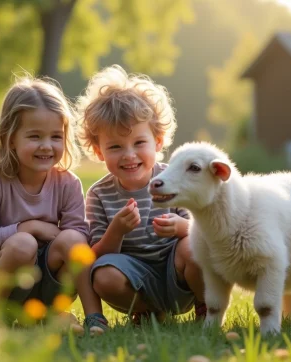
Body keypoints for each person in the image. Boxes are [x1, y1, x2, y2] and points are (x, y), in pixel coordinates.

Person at [0, 75, 108, 331]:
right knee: (23, 243)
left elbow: (78, 239)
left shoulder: (68, 183)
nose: (46, 146)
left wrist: (58, 237)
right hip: (9, 282)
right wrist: (29, 227)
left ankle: (92, 317)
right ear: (10, 138)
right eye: (34, 136)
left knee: (73, 241)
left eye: (55, 136)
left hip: (50, 281)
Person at [76, 64, 206, 324]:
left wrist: (180, 226)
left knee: (194, 247)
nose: (129, 154)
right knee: (103, 276)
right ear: (99, 151)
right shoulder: (99, 194)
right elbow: (98, 254)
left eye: (139, 143)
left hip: (179, 272)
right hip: (134, 279)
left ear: (157, 141)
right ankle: (150, 313)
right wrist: (117, 230)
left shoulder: (174, 179)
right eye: (115, 146)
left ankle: (207, 309)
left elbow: (205, 230)